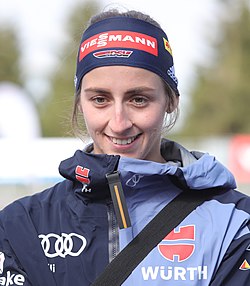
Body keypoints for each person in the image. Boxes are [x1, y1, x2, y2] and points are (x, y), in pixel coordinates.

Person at [0, 8, 249, 286]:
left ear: (171, 101)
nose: (119, 123)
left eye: (138, 100)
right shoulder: (21, 226)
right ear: (80, 102)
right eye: (100, 99)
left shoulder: (234, 223)